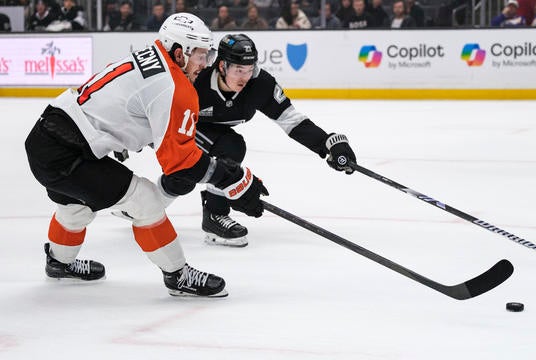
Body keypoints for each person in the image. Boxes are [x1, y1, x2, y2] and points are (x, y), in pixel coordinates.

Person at [24, 14, 268, 297]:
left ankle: (59, 262)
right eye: (201, 55)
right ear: (180, 52)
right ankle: (179, 275)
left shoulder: (149, 56)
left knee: (75, 207)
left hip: (46, 137)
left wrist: (118, 132)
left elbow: (123, 101)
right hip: (67, 153)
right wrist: (232, 179)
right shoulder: (174, 86)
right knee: (146, 201)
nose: (206, 63)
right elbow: (179, 162)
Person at [192, 34, 356, 247]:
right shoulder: (198, 77)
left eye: (249, 69)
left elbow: (291, 120)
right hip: (174, 127)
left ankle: (142, 206)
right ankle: (213, 213)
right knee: (224, 153)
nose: (245, 77)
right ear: (221, 66)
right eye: (238, 70)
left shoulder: (260, 84)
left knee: (194, 174)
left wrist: (328, 143)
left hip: (214, 132)